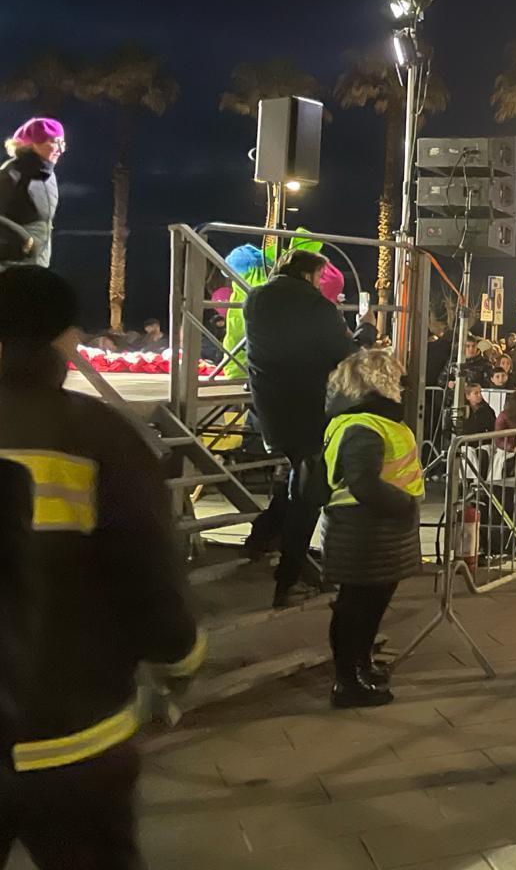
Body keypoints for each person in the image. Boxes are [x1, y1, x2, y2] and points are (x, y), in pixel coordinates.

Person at [0, 266, 204, 866]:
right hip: (73, 735)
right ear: (65, 338)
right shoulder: (100, 437)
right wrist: (180, 657)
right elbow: (147, 570)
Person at [242, 248, 367, 607]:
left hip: (271, 408)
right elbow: (345, 354)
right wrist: (364, 333)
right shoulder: (318, 307)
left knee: (299, 476)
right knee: (308, 495)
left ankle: (262, 536)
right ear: (309, 275)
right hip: (310, 408)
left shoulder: (256, 299)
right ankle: (289, 580)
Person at [320, 350, 422, 708]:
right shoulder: (363, 425)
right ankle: (347, 683)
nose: (402, 383)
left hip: (376, 531)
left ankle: (360, 665)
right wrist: (403, 504)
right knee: (356, 608)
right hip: (362, 529)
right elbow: (363, 483)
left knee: (371, 604)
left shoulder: (373, 420)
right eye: (396, 376)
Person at [0, 118, 65, 268]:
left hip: (38, 265)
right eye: (54, 142)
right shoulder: (10, 174)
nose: (61, 149)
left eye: (63, 143)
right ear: (32, 143)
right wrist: (26, 241)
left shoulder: (48, 175)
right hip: (11, 267)